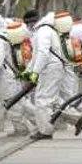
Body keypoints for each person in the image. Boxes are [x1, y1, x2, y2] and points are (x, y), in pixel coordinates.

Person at [23, 12, 64, 140]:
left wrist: (35, 72)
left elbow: (43, 54)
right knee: (47, 99)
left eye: (27, 24)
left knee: (43, 100)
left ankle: (45, 131)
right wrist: (29, 70)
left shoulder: (43, 31)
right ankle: (47, 128)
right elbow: (36, 55)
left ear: (31, 23)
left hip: (50, 68)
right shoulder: (42, 31)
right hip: (49, 68)